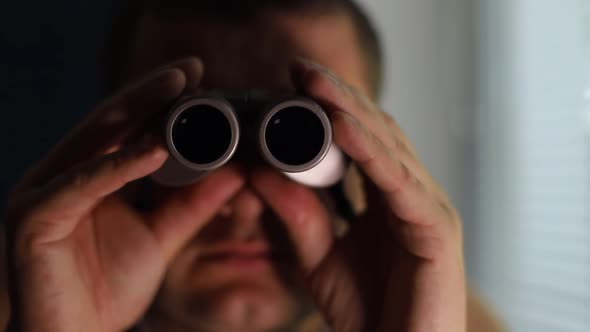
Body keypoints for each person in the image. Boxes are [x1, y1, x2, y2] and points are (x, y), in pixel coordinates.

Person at [1, 0, 505, 331]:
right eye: (195, 136)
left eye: (304, 137)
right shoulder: (21, 306)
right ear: (113, 147)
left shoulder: (447, 317)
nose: (243, 204)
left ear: (375, 149)